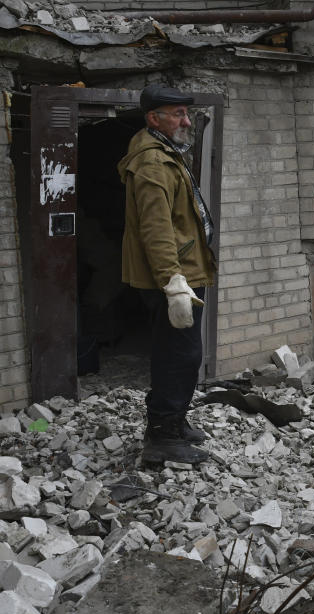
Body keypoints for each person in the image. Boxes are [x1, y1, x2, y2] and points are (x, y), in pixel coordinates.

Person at [118, 84, 216, 465]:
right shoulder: (153, 162)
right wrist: (173, 283)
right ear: (153, 118)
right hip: (176, 277)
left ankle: (172, 421)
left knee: (180, 354)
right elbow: (155, 229)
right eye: (177, 114)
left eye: (185, 114)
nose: (186, 121)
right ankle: (163, 436)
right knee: (179, 356)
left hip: (185, 271)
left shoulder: (165, 152)